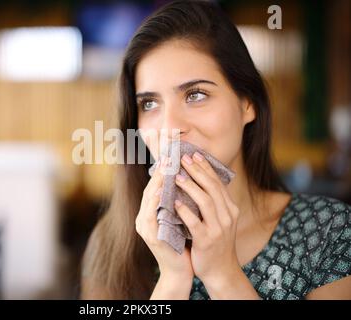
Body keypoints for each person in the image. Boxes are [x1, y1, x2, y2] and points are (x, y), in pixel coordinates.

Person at [80, 0, 351, 300]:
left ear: (246, 104)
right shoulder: (111, 243)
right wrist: (172, 281)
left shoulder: (331, 232)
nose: (170, 127)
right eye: (150, 103)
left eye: (196, 94)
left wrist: (223, 276)